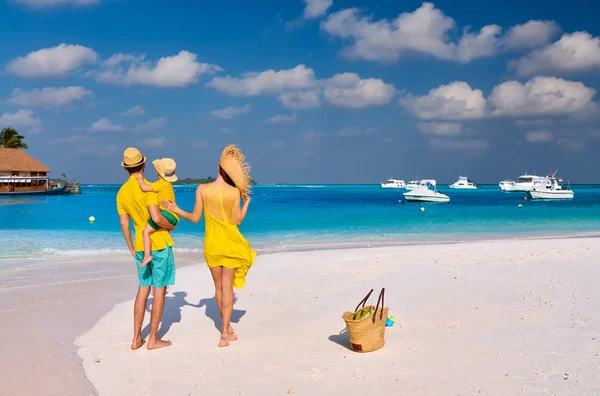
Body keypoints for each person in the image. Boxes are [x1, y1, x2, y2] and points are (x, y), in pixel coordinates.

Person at [162, 144, 255, 347]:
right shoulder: (234, 193)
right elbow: (237, 220)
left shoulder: (202, 189)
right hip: (230, 243)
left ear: (218, 168)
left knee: (218, 288)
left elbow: (195, 218)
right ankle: (225, 332)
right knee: (227, 287)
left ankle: (227, 328)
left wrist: (176, 208)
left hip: (212, 244)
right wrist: (246, 203)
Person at [116, 147, 176, 351]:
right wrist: (172, 226)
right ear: (142, 165)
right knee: (159, 291)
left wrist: (131, 247)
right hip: (159, 243)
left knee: (143, 289)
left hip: (141, 247)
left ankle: (135, 339)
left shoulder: (122, 193)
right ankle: (152, 339)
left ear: (127, 169)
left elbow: (124, 224)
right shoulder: (149, 188)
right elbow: (157, 218)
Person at [135, 158, 180, 268]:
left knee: (145, 232)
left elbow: (145, 188)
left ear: (157, 172)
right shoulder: (168, 185)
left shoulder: (161, 184)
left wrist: (140, 178)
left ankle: (147, 256)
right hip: (173, 216)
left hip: (167, 214)